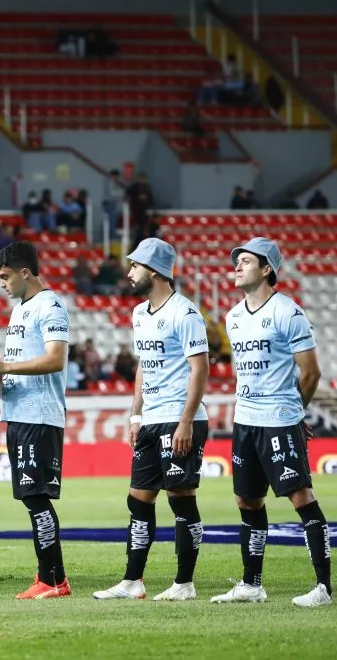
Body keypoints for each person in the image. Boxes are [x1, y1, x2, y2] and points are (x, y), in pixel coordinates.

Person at [211, 238, 332, 608]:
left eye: (246, 261)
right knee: (246, 499)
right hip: (244, 420)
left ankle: (323, 588)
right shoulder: (231, 317)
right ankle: (252, 584)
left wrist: (294, 413)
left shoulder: (287, 312)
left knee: (300, 496)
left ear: (267, 270)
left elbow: (310, 373)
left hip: (279, 419)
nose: (237, 266)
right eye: (237, 261)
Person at [93, 239, 210, 602]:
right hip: (150, 420)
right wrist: (135, 414)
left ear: (155, 270)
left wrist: (186, 422)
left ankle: (184, 584)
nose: (128, 273)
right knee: (139, 500)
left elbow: (200, 368)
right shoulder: (140, 314)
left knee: (180, 499)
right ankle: (133, 581)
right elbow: (144, 364)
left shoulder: (185, 313)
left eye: (135, 266)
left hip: (179, 419)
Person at [0, 242, 71, 599]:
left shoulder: (51, 306)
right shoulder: (21, 309)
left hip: (41, 416)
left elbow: (55, 359)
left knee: (36, 498)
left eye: (4, 277)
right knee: (30, 498)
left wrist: (6, 366)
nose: (1, 284)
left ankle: (54, 581)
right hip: (18, 413)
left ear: (25, 273)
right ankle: (47, 576)